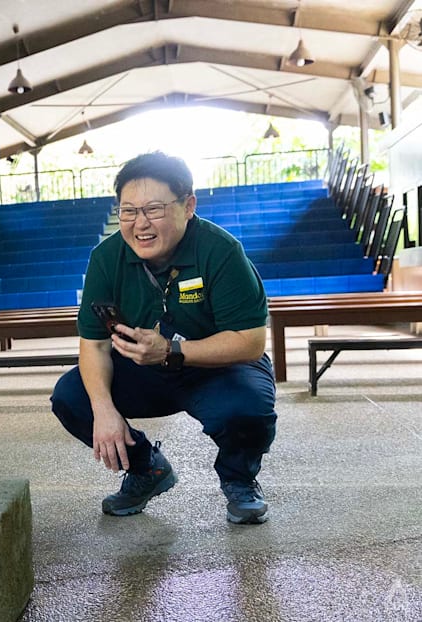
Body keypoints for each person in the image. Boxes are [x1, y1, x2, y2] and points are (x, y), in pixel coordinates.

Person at [50, 151, 277, 524]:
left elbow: (251, 342)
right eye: (128, 211)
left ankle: (239, 479)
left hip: (217, 368)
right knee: (73, 398)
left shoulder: (221, 252)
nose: (141, 224)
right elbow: (93, 344)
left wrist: (173, 350)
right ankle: (147, 469)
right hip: (143, 369)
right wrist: (104, 410)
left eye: (154, 209)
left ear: (188, 206)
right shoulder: (107, 258)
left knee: (248, 408)